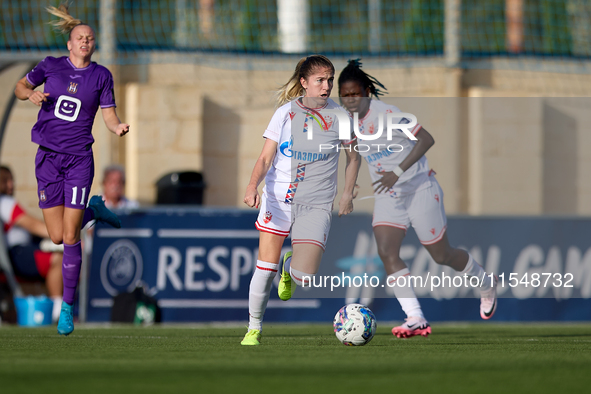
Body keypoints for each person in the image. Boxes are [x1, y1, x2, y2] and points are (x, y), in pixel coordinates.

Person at [337, 59, 498, 338]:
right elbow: (353, 156)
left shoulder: (387, 114)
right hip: (389, 196)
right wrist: (348, 191)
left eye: (355, 94)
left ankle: (485, 283)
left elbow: (426, 139)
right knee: (387, 252)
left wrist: (397, 172)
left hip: (421, 188)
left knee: (441, 255)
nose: (350, 100)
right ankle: (415, 317)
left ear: (366, 91)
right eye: (345, 95)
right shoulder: (346, 124)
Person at [14, 4, 129, 336]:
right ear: (69, 43)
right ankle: (94, 209)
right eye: (80, 37)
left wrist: (118, 126)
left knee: (69, 236)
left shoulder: (101, 76)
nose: (85, 42)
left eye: (90, 39)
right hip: (48, 158)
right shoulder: (50, 66)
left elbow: (108, 114)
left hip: (79, 159)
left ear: (94, 44)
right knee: (54, 235)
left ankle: (66, 308)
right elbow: (20, 87)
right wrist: (30, 94)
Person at [241, 55, 361, 345]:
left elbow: (354, 156)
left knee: (304, 278)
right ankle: (253, 329)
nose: (326, 86)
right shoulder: (284, 113)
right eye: (320, 80)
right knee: (264, 269)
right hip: (278, 200)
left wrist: (347, 192)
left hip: (316, 203)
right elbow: (266, 157)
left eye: (330, 80)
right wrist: (252, 185)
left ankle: (290, 268)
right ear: (304, 83)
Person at [0, 165, 64, 322]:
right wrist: (62, 235)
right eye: (6, 181)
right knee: (56, 259)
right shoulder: (5, 203)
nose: (11, 185)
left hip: (21, 251)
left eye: (11, 180)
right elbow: (32, 225)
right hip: (16, 254)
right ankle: (57, 310)